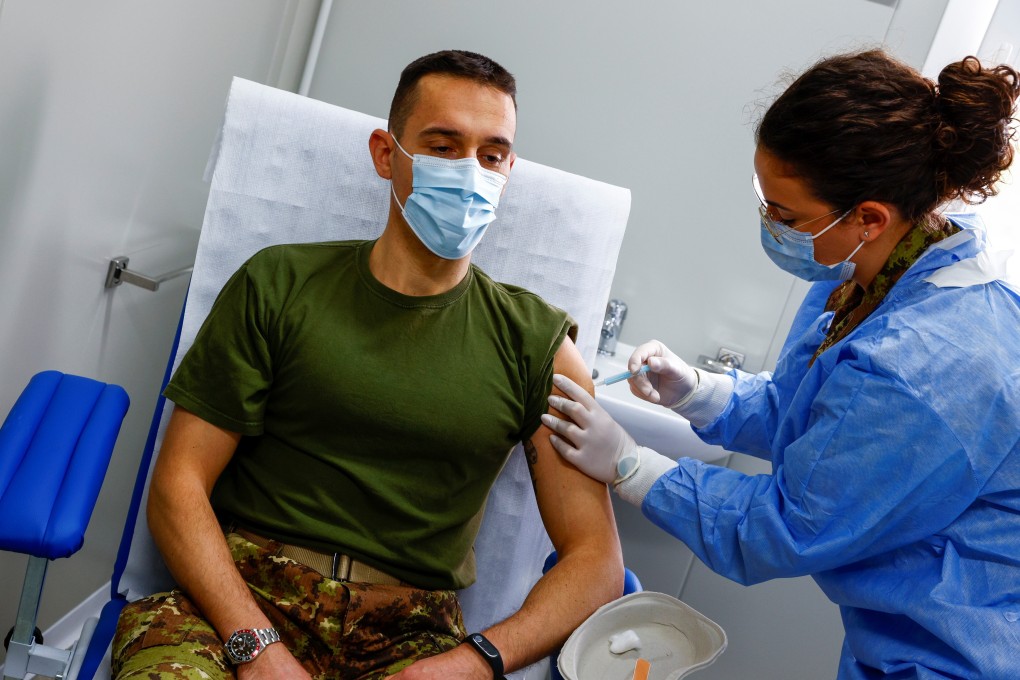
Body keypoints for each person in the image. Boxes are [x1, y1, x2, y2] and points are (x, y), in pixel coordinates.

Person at [112, 50, 623, 680]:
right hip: (243, 600)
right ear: (386, 153)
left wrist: (474, 663)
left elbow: (596, 562)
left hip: (413, 638)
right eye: (442, 147)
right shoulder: (279, 286)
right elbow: (178, 486)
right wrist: (256, 645)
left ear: (508, 169)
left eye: (491, 156)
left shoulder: (538, 348)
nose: (470, 172)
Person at [542, 49, 1020, 679]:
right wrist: (699, 392)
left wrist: (633, 466)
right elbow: (817, 421)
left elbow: (787, 525)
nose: (772, 226)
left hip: (963, 653)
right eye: (765, 202)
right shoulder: (883, 265)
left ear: (868, 218)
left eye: (787, 216)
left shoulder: (927, 366)